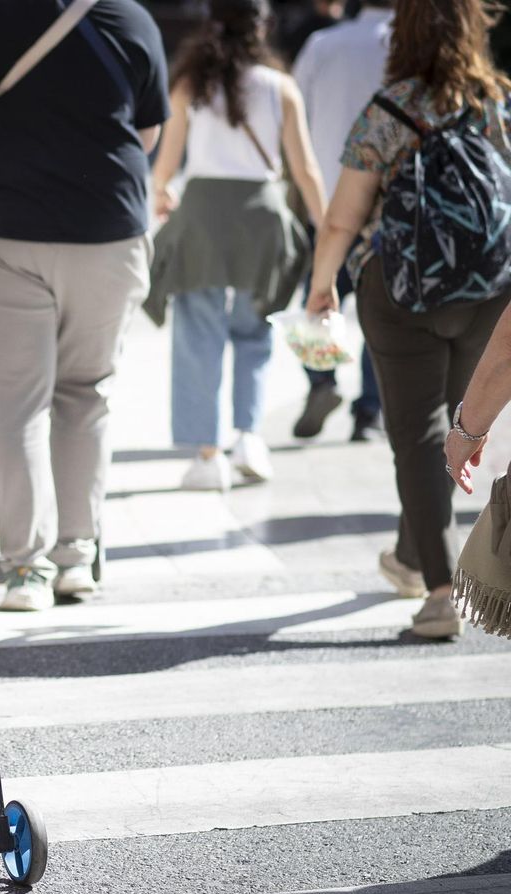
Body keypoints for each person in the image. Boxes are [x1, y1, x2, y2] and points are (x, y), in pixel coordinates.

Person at [0, 0, 169, 610]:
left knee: (15, 404)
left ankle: (27, 569)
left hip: (0, 224)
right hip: (107, 229)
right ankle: (76, 557)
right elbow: (147, 132)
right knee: (86, 392)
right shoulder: (130, 17)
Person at [308, 0, 511, 641]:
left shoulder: (388, 109)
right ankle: (411, 551)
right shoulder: (495, 104)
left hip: (398, 293)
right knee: (458, 426)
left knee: (417, 437)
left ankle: (440, 593)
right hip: (487, 292)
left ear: (404, 35)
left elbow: (343, 216)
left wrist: (322, 284)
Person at [147, 0, 325, 491]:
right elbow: (305, 169)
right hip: (260, 218)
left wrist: (161, 192)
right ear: (263, 27)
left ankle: (209, 455)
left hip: (202, 215)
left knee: (197, 333)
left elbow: (167, 162)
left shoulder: (191, 83)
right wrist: (329, 229)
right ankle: (249, 438)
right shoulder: (280, 87)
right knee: (255, 330)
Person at [292, 0, 393, 442]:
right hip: (390, 210)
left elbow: (294, 112)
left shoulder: (321, 45)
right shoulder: (407, 46)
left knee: (315, 299)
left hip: (328, 200)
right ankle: (369, 412)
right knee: (380, 315)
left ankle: (321, 380)